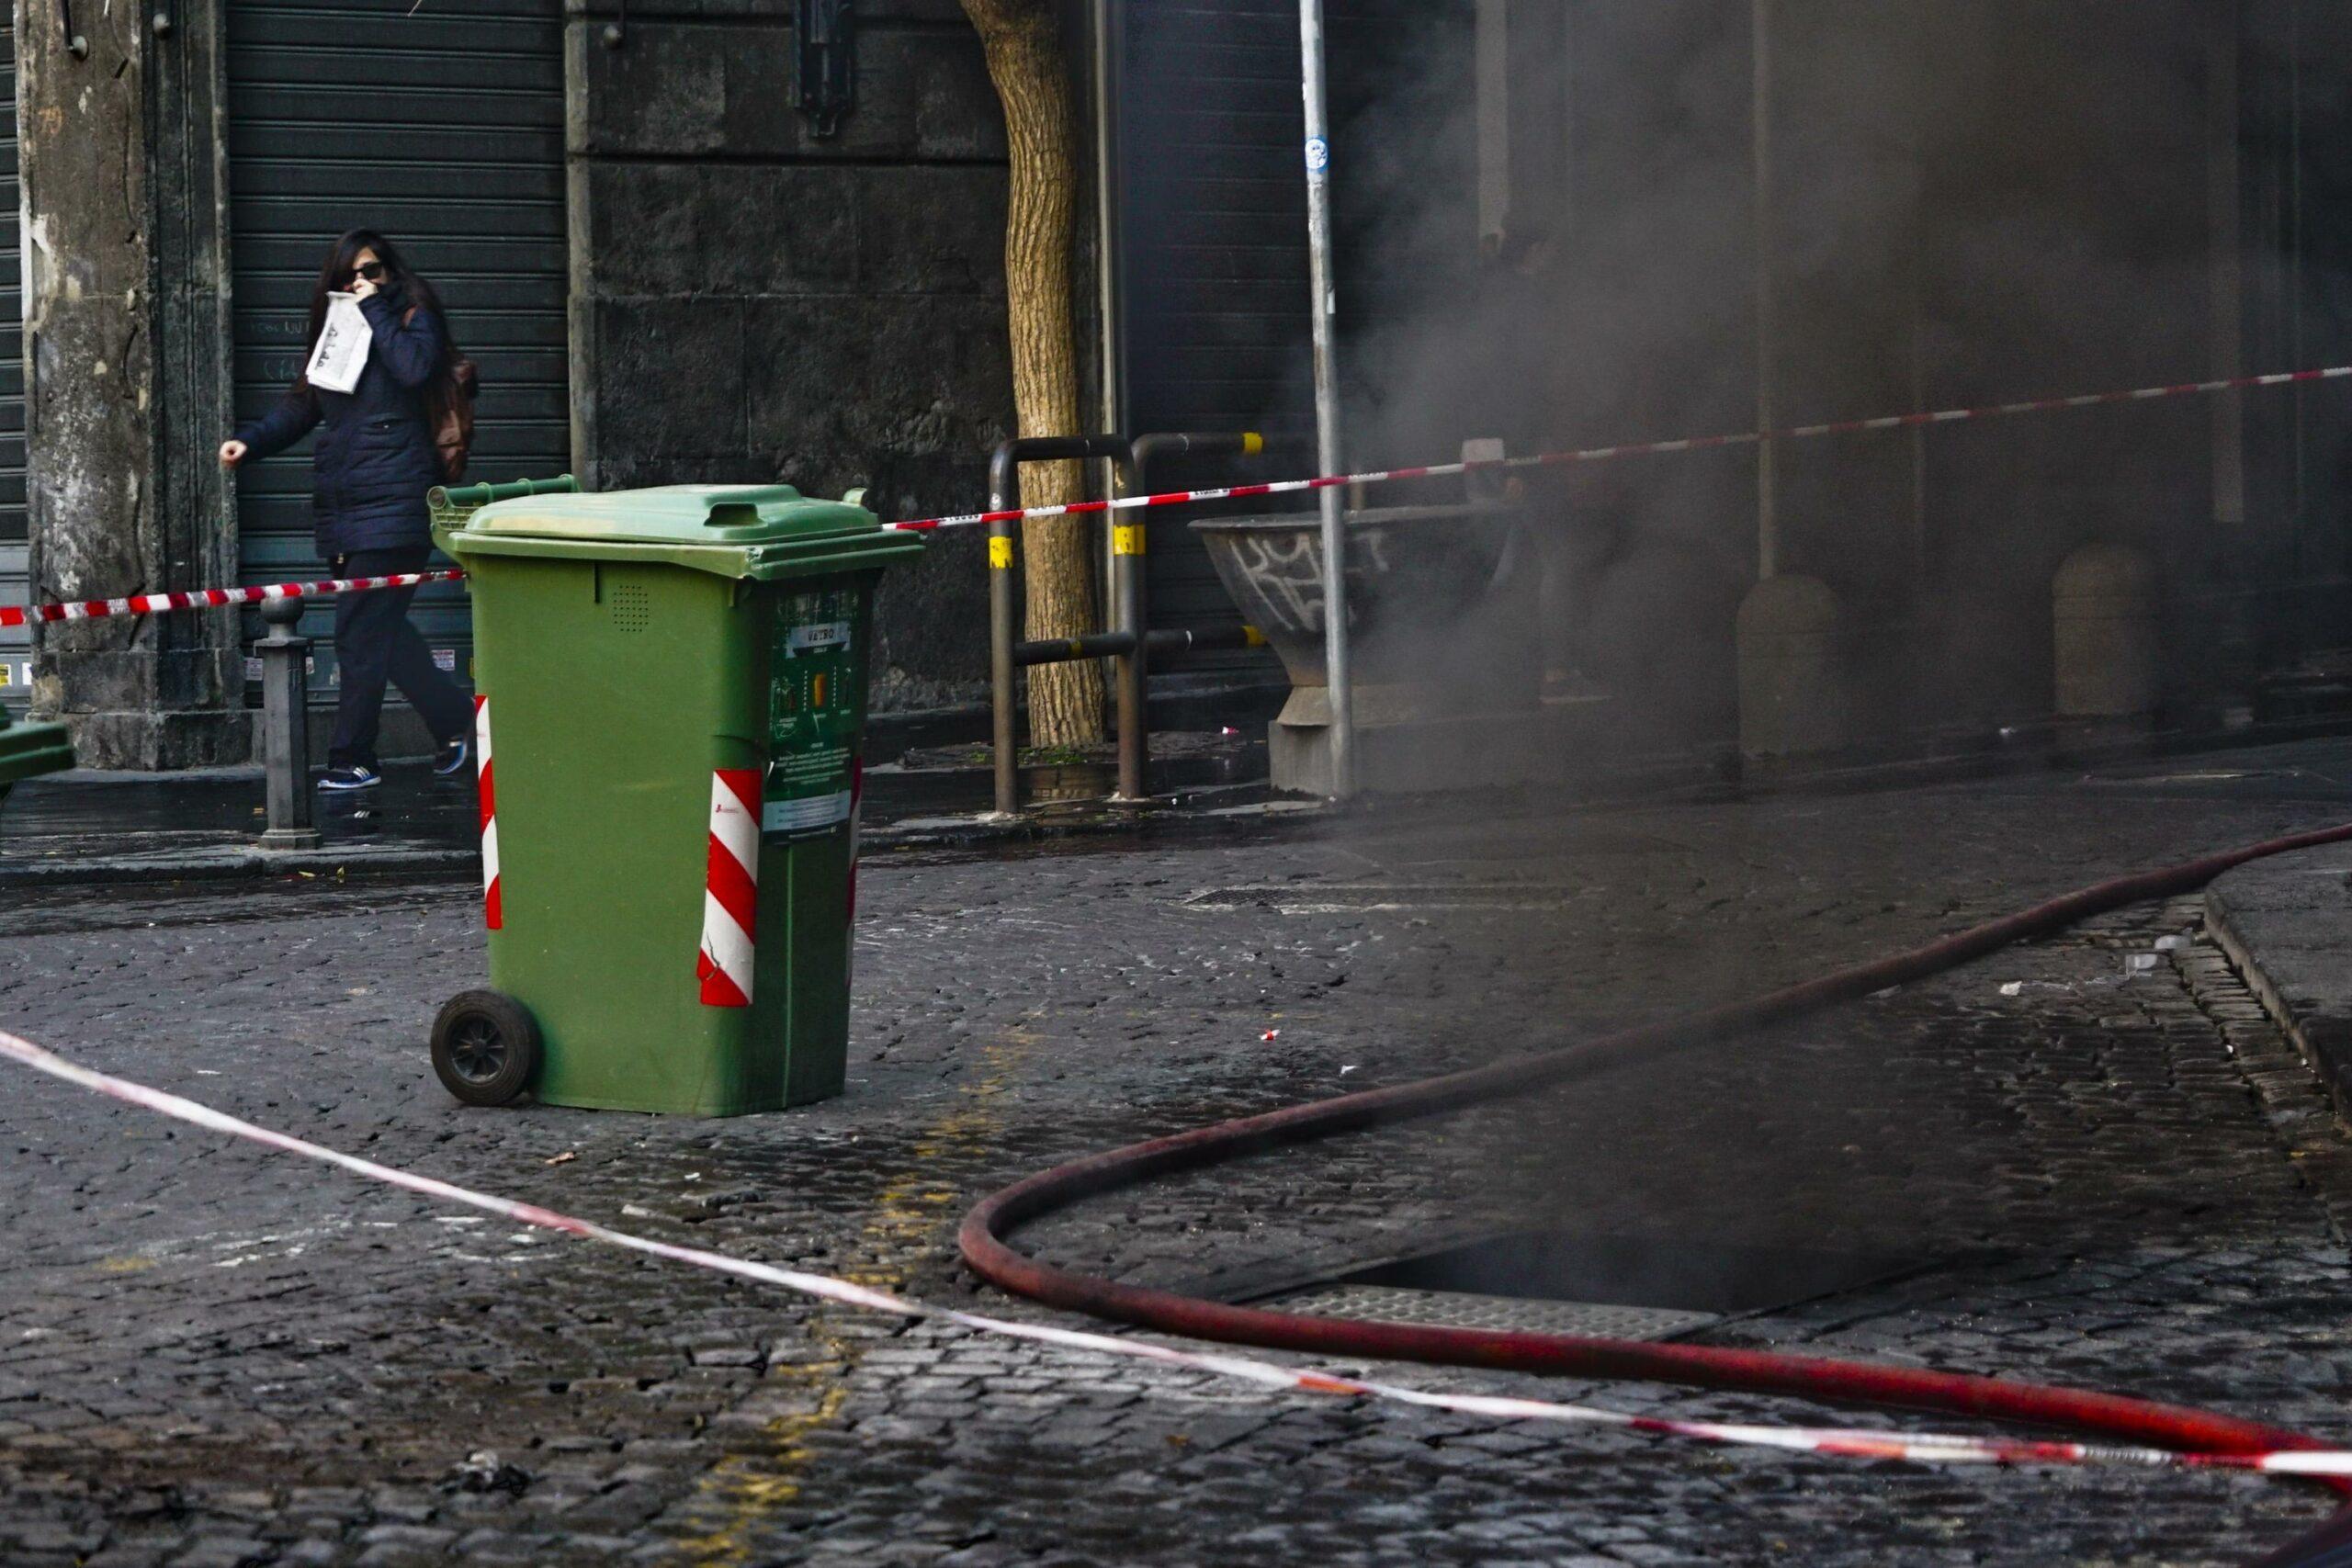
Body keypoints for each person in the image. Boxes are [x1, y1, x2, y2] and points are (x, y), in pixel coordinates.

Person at [219, 230, 473, 792]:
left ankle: (354, 757)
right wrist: (251, 442)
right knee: (381, 629)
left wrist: (377, 306)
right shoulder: (339, 333)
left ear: (391, 273)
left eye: (374, 271)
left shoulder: (410, 315)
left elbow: (413, 371)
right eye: (350, 276)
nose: (362, 282)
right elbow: (304, 403)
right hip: (347, 506)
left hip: (399, 499)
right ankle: (459, 724)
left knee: (360, 633)